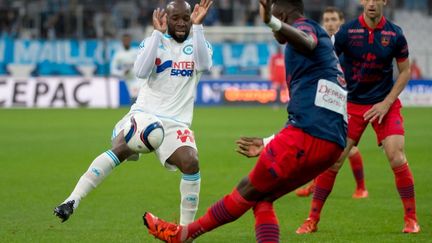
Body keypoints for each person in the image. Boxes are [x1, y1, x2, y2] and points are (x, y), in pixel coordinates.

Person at [142, 0, 348, 242]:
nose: (274, 32)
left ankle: (184, 235)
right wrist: (271, 141)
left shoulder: (306, 27)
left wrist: (271, 20)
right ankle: (185, 235)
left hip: (309, 135)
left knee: (247, 189)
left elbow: (307, 41)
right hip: (331, 142)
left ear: (281, 11)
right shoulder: (319, 45)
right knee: (262, 198)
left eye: (275, 18)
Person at [54, 0, 213, 227]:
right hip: (145, 114)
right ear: (166, 19)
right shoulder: (153, 42)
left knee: (191, 162)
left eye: (185, 18)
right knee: (119, 148)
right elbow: (139, 71)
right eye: (175, 18)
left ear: (192, 19)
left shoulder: (200, 44)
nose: (181, 23)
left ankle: (186, 231)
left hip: (176, 123)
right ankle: (71, 201)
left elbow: (205, 66)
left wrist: (198, 27)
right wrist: (157, 35)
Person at [296, 0, 420, 234]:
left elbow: (405, 71)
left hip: (385, 103)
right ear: (361, 2)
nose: (371, 3)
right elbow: (327, 61)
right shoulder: (347, 32)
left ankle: (411, 219)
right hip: (351, 105)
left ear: (385, 1)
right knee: (334, 160)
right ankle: (312, 220)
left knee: (396, 155)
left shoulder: (395, 34)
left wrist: (386, 103)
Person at [295, 6, 368, 199]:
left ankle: (361, 188)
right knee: (325, 142)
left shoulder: (349, 45)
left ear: (342, 22)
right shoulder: (322, 44)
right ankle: (316, 184)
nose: (329, 23)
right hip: (327, 99)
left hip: (347, 100)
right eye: (326, 20)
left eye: (334, 19)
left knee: (344, 145)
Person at [110, 33, 140, 103]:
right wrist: (122, 73)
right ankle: (135, 113)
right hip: (129, 80)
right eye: (124, 40)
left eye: (127, 40)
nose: (126, 41)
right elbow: (112, 70)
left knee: (138, 98)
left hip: (140, 78)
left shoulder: (136, 51)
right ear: (122, 41)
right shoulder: (118, 54)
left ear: (130, 40)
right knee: (134, 98)